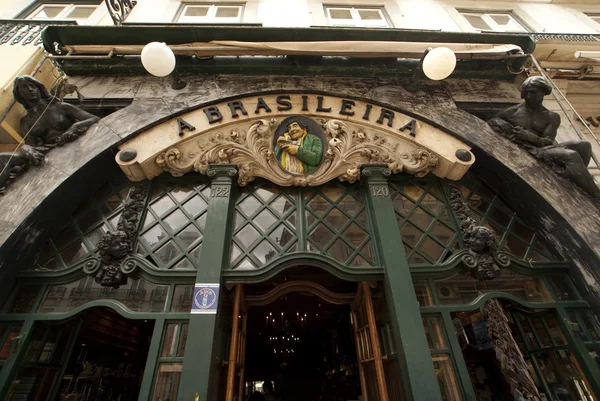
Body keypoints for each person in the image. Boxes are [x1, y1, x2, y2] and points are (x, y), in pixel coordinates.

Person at [488, 76, 600, 198]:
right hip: (529, 150)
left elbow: (548, 142)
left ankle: (577, 181)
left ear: (544, 92)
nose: (529, 96)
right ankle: (596, 195)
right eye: (527, 92)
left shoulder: (551, 117)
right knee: (571, 156)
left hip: (543, 148)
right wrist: (502, 125)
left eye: (533, 92)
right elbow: (492, 122)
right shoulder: (512, 112)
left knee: (584, 145)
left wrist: (528, 136)